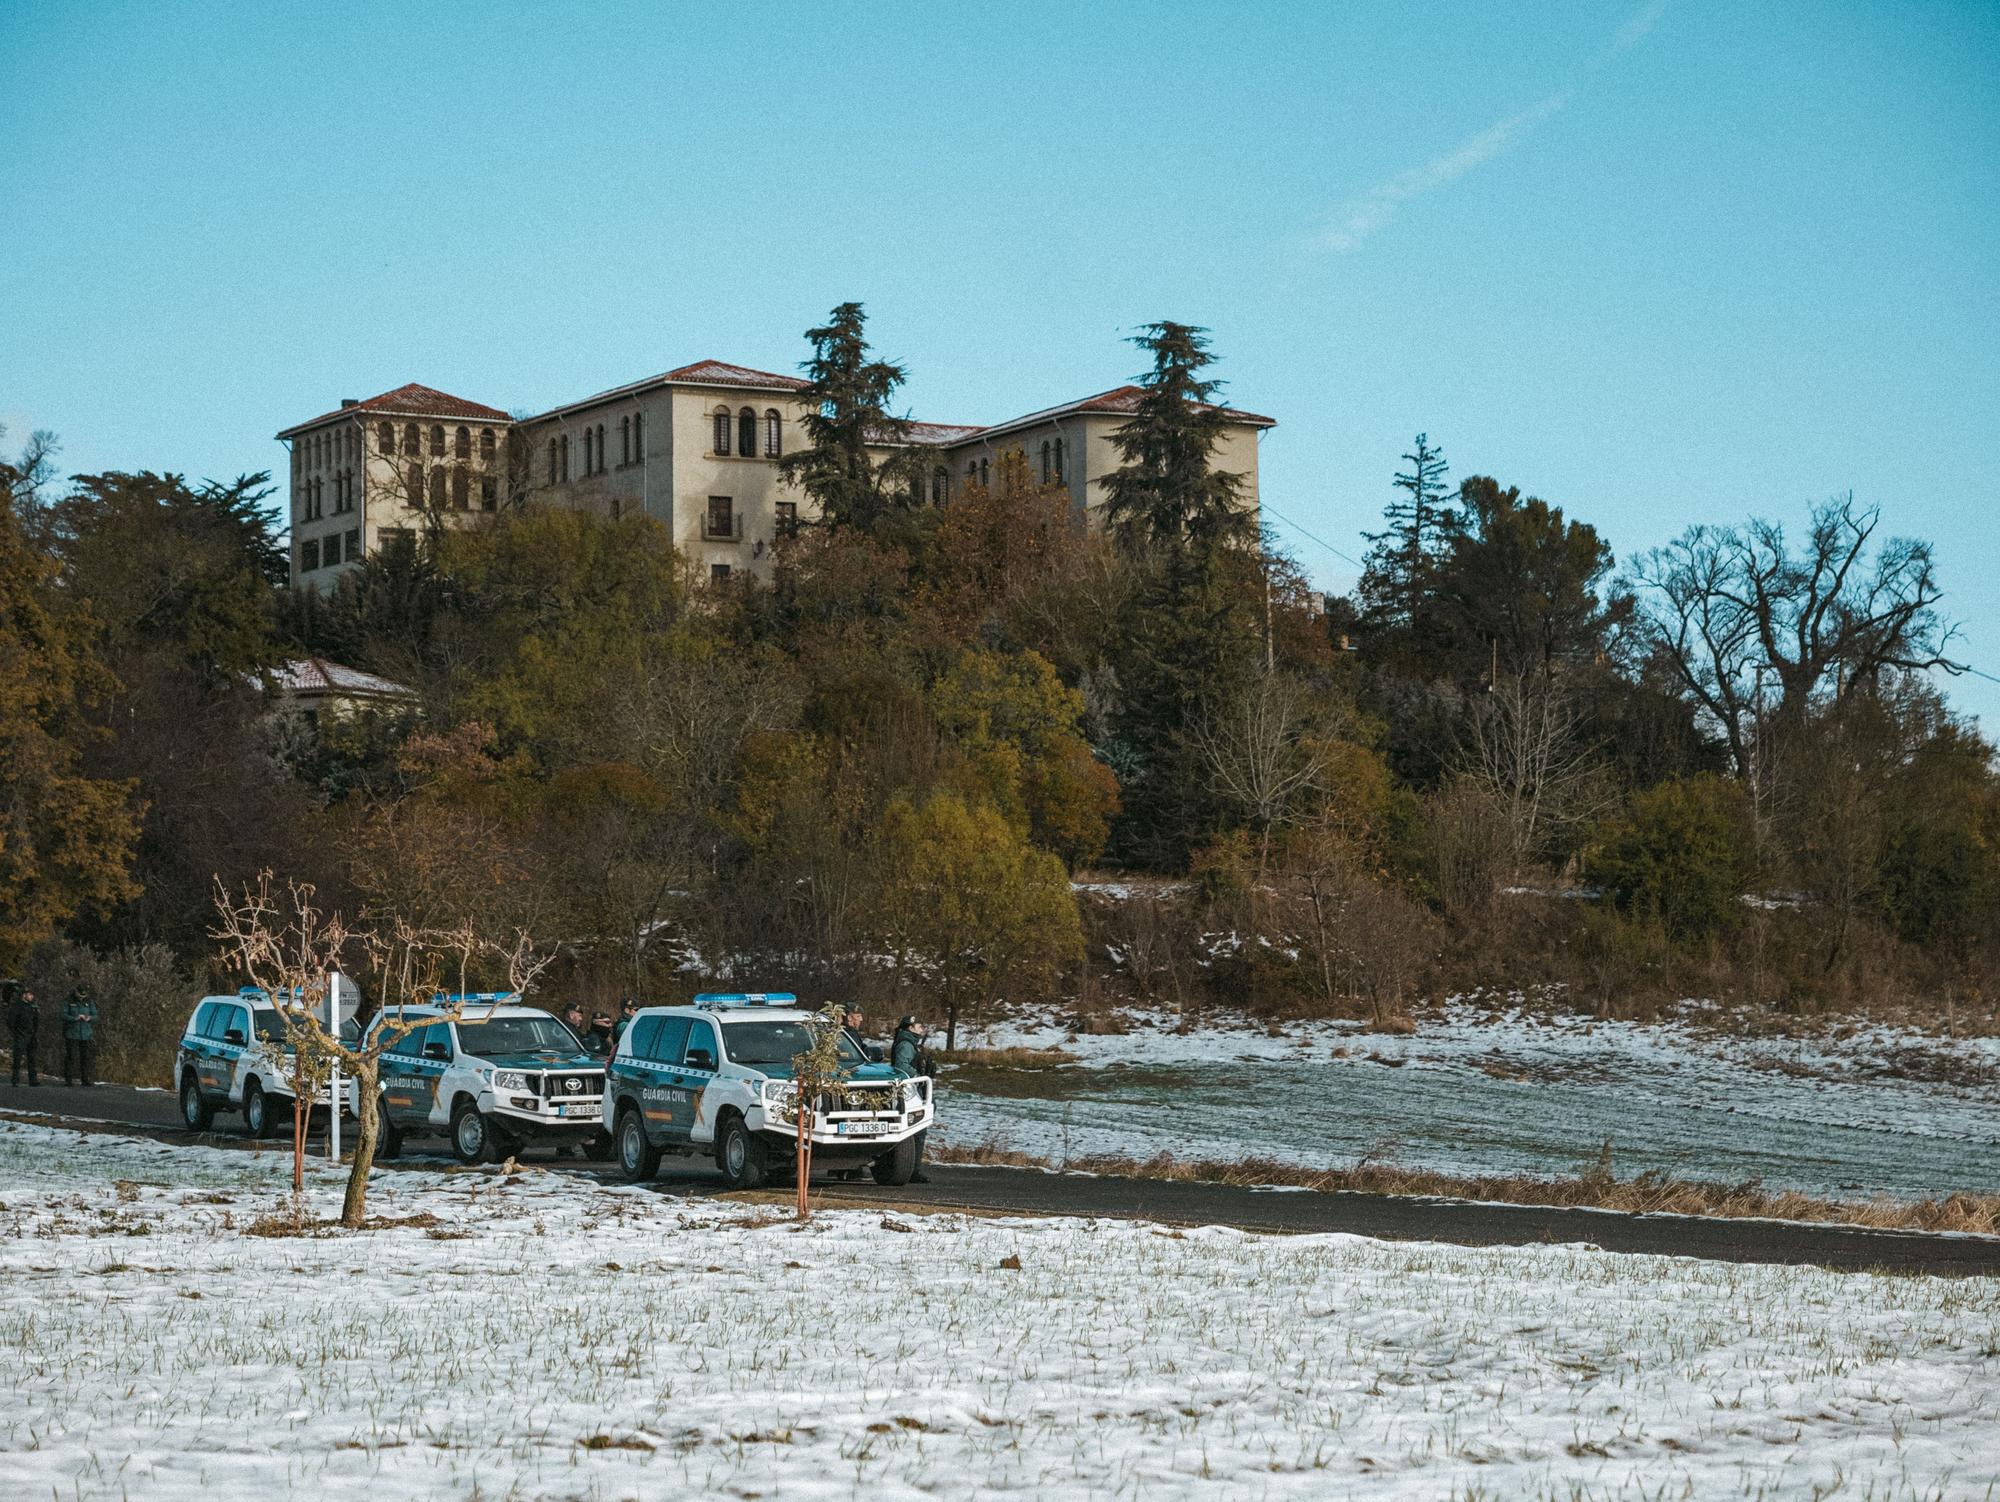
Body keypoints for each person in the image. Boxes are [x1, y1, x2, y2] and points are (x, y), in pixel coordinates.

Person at [889, 1014, 932, 1183]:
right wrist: (920, 1075)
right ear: (910, 1027)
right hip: (911, 1091)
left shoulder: (909, 1042)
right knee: (917, 1129)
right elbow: (901, 1066)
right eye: (919, 1026)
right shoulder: (906, 1044)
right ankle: (913, 1170)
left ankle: (913, 1169)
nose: (922, 1029)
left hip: (912, 1089)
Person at [61, 985, 100, 1087]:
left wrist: (89, 1018)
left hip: (85, 1033)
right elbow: (63, 1015)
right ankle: (68, 1079)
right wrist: (75, 1018)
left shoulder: (89, 1002)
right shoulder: (69, 1001)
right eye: (80, 994)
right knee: (71, 1057)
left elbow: (95, 1015)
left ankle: (85, 1079)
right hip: (72, 1033)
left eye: (84, 994)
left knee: (85, 1057)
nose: (82, 997)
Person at [6, 982, 38, 1087]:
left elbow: (35, 1021)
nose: (31, 997)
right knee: (17, 1058)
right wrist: (16, 1032)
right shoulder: (17, 1006)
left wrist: (34, 1032)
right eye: (30, 994)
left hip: (31, 1034)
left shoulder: (32, 1007)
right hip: (21, 1034)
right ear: (24, 995)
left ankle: (33, 1080)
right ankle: (15, 1079)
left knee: (32, 1058)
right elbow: (11, 1022)